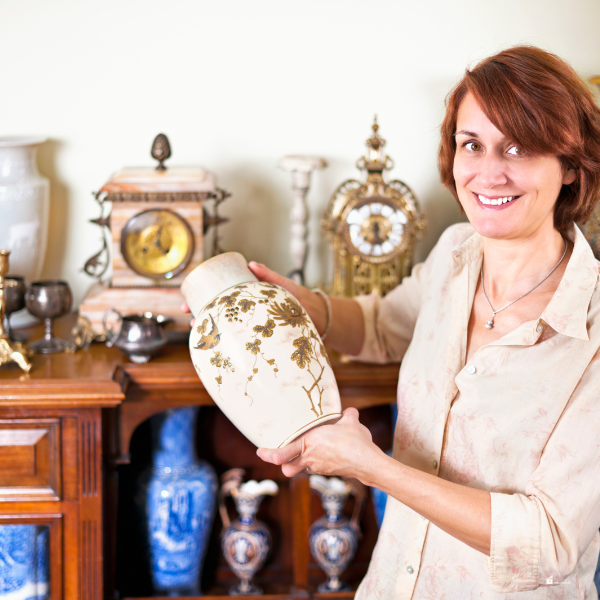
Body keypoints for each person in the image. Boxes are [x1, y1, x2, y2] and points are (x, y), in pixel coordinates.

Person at [185, 46, 600, 597]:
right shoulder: (456, 254)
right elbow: (386, 326)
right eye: (471, 145)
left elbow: (551, 543)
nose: (489, 172)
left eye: (519, 148)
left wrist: (372, 468)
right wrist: (307, 307)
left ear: (572, 165)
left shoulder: (590, 332)